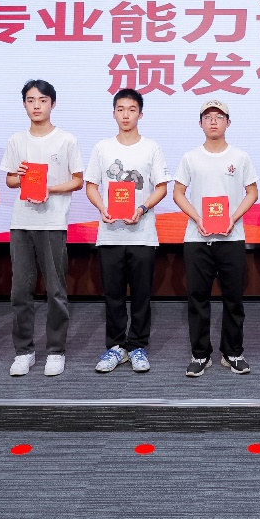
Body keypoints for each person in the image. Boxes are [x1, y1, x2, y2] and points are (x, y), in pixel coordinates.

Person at [0, 79, 83, 378]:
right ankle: (24, 351)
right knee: (20, 290)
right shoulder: (16, 140)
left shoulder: (66, 140)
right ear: (24, 104)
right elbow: (9, 180)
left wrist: (50, 189)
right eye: (31, 100)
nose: (36, 106)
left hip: (52, 222)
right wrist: (20, 176)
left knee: (56, 290)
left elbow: (78, 180)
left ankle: (56, 351)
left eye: (43, 100)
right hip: (21, 222)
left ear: (53, 104)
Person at [84, 88, 170, 374]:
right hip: (110, 233)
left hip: (143, 234)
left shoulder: (151, 148)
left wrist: (142, 208)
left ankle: (137, 346)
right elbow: (91, 186)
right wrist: (102, 208)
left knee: (142, 295)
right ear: (113, 113)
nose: (126, 115)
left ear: (140, 114)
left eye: (132, 110)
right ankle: (116, 346)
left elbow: (161, 187)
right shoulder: (102, 148)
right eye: (120, 109)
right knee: (113, 294)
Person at [172, 99, 259, 377]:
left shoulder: (240, 157)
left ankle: (233, 352)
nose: (213, 121)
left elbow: (252, 192)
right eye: (208, 117)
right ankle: (200, 354)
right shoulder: (190, 158)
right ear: (200, 124)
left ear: (228, 123)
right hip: (197, 239)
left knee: (233, 298)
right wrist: (197, 218)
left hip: (231, 238)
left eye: (219, 117)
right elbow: (178, 193)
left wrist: (233, 218)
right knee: (198, 298)